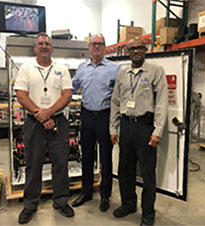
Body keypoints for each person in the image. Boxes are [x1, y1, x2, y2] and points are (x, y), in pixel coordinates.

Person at [14, 33, 74, 224]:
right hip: (34, 122)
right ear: (35, 48)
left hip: (58, 121)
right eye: (40, 43)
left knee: (61, 162)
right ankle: (30, 204)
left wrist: (49, 112)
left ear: (52, 48)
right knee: (33, 163)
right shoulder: (26, 68)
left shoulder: (61, 69)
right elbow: (21, 95)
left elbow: (67, 95)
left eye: (47, 43)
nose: (44, 46)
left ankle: (61, 200)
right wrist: (40, 114)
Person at [110, 38, 168, 226]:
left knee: (147, 173)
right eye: (132, 48)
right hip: (126, 127)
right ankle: (128, 204)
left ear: (146, 49)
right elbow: (115, 102)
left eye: (139, 48)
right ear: (127, 51)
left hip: (145, 127)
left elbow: (161, 103)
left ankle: (148, 213)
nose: (135, 51)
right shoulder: (122, 74)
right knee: (124, 170)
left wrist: (157, 131)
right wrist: (114, 127)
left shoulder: (155, 71)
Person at [71, 34, 120, 212]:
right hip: (86, 116)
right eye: (94, 44)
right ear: (89, 47)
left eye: (100, 44)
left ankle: (105, 195)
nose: (97, 47)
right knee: (87, 156)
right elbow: (72, 88)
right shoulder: (81, 68)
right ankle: (86, 192)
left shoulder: (114, 69)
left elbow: (119, 95)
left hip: (105, 116)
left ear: (105, 47)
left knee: (106, 158)